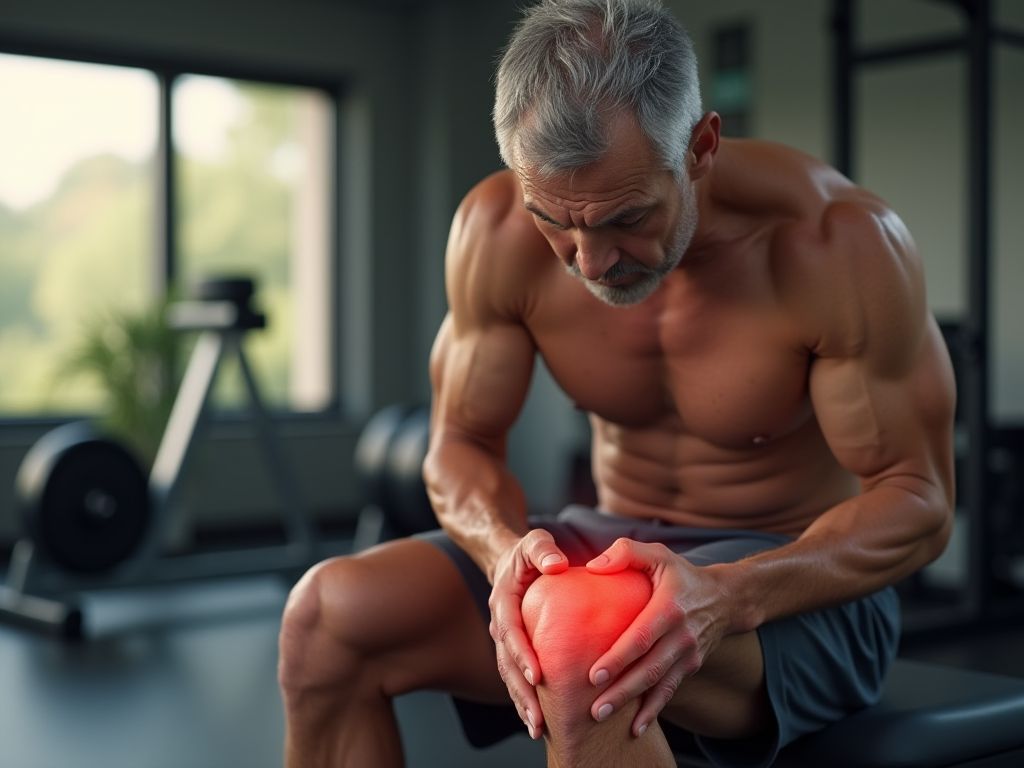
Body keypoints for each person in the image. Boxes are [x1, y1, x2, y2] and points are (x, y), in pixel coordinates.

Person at [277, 0, 956, 766]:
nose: (591, 263)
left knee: (584, 632)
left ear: (701, 148)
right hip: (606, 554)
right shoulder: (495, 234)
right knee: (325, 615)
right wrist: (504, 556)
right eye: (555, 221)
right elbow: (457, 446)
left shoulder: (838, 247)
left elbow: (919, 502)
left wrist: (734, 592)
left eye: (625, 218)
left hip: (795, 588)